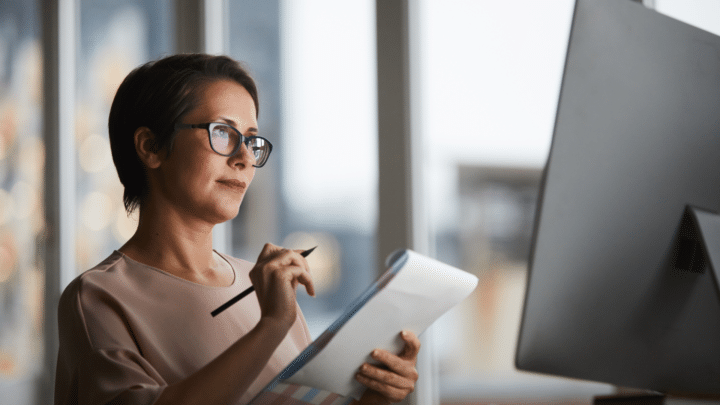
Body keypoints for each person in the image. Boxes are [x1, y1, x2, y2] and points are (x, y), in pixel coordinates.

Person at [54, 54, 420, 405]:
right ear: (150, 147)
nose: (245, 157)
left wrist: (372, 397)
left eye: (251, 139)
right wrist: (272, 325)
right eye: (223, 133)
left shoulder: (262, 284)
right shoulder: (98, 297)